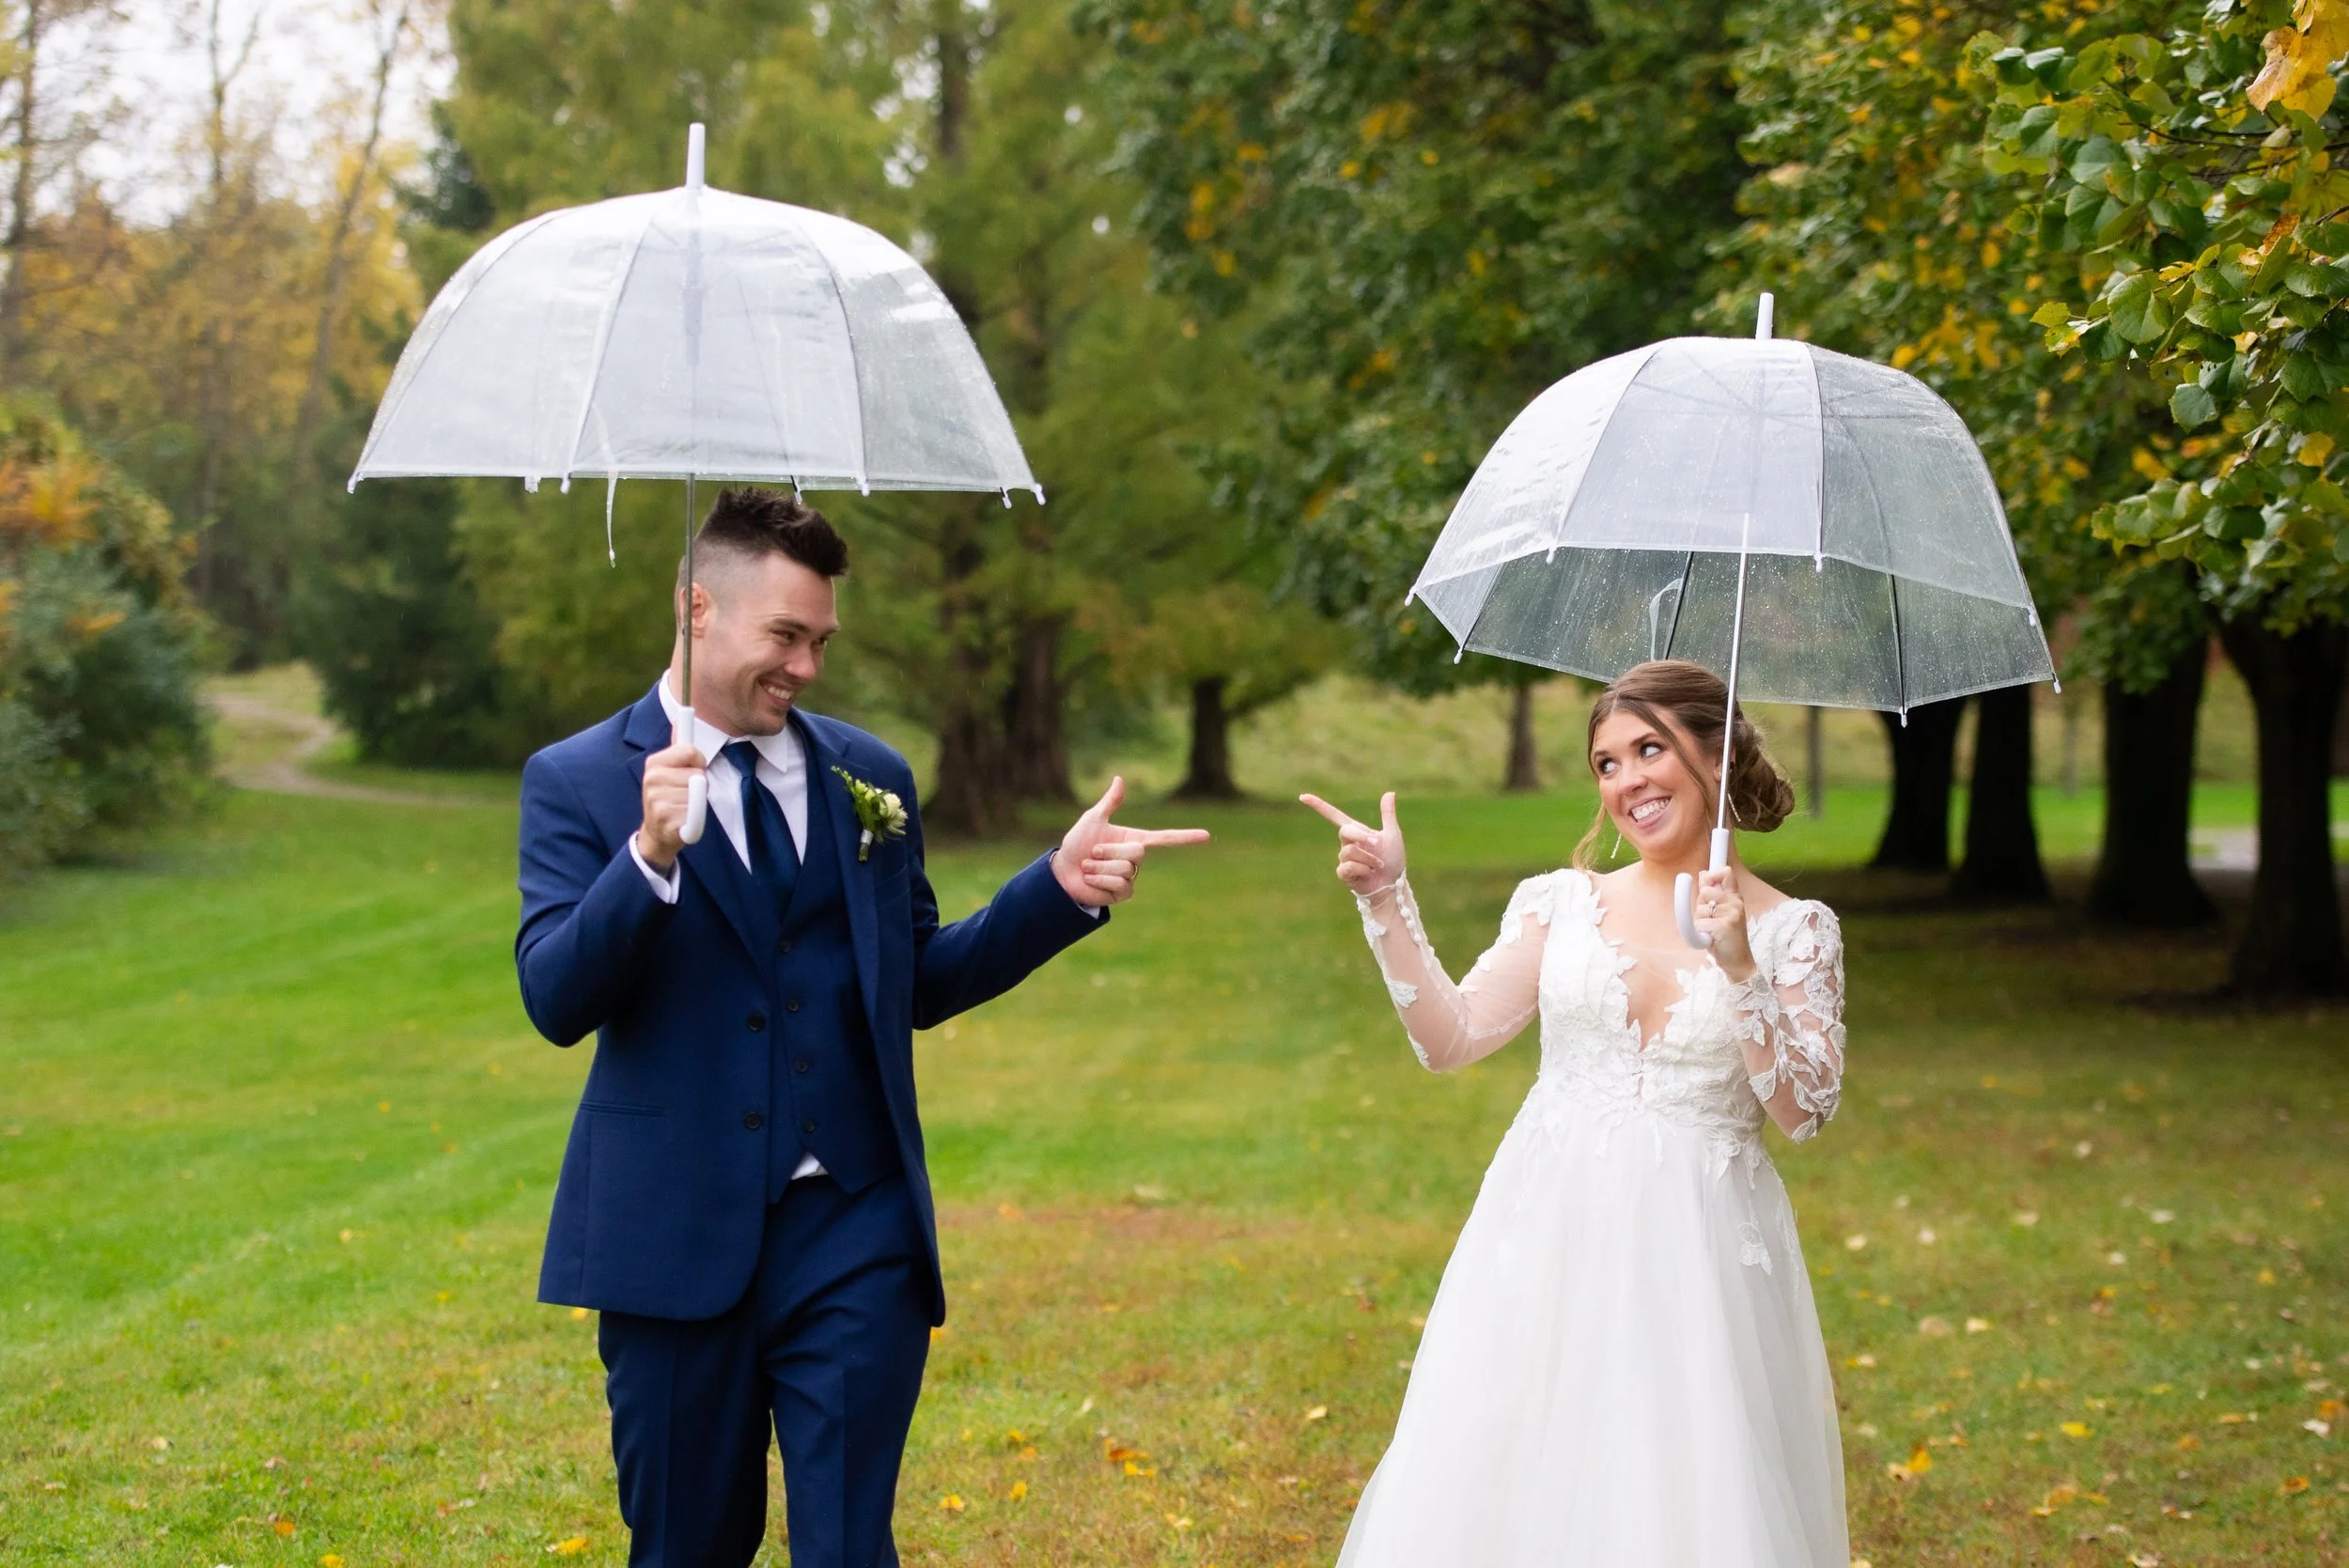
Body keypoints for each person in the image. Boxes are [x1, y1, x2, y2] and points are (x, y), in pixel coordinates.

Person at [514, 488, 1208, 1568]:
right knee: (687, 1545)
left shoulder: (867, 775)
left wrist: (1056, 890)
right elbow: (555, 999)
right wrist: (646, 855)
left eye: (820, 642)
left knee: (846, 1546)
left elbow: (917, 980)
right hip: (672, 1235)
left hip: (854, 1228)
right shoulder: (577, 780)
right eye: (784, 636)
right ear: (698, 609)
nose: (805, 668)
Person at [1301, 658, 1848, 1566]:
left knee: (1679, 1489)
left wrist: (1741, 964)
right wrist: (1385, 897)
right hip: (1545, 1231)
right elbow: (1453, 1037)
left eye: (1649, 749)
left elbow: (1802, 1112)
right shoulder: (1563, 903)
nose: (1627, 780)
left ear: (1716, 753)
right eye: (1606, 762)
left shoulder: (1798, 931)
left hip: (1697, 1259)